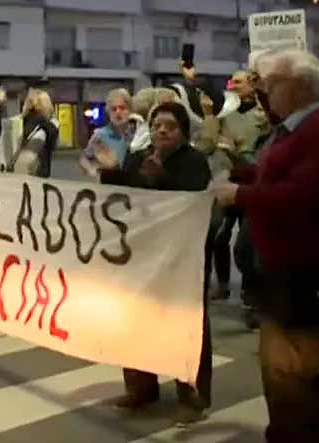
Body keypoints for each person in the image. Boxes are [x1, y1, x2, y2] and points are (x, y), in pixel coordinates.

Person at [214, 49, 319, 443]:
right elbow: (278, 174)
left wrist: (240, 194)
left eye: (271, 84)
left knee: (292, 369)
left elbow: (302, 196)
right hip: (285, 268)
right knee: (283, 369)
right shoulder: (298, 127)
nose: (264, 93)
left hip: (306, 270)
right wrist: (245, 174)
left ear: (296, 87)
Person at [104, 102, 213, 427]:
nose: (162, 131)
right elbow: (125, 196)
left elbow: (192, 200)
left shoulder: (194, 161)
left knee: (185, 323)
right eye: (156, 125)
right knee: (137, 317)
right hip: (144, 253)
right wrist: (110, 171)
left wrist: (161, 177)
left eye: (170, 126)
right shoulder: (138, 157)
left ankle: (192, 396)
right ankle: (140, 387)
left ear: (183, 132)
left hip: (182, 256)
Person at [211, 70, 268, 301]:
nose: (233, 86)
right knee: (219, 236)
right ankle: (223, 284)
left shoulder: (262, 117)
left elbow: (259, 154)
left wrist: (237, 151)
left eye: (238, 82)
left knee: (247, 242)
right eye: (231, 82)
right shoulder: (225, 113)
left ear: (251, 85)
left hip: (251, 184)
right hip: (228, 180)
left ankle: (249, 290)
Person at [78, 88, 139, 179]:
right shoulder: (100, 135)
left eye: (122, 108)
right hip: (108, 183)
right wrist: (93, 171)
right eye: (114, 109)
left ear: (130, 110)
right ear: (108, 113)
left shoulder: (138, 134)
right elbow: (84, 159)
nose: (118, 112)